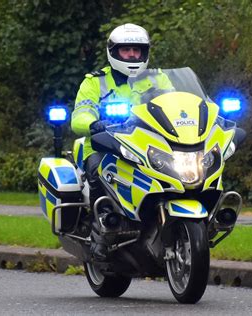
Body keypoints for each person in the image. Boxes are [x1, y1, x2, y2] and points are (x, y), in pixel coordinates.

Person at [71, 23, 171, 260]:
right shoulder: (95, 82)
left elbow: (177, 103)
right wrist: (93, 123)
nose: (133, 55)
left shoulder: (159, 79)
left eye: (137, 50)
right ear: (114, 52)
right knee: (98, 169)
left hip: (147, 146)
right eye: (127, 50)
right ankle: (103, 231)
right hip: (105, 147)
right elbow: (80, 115)